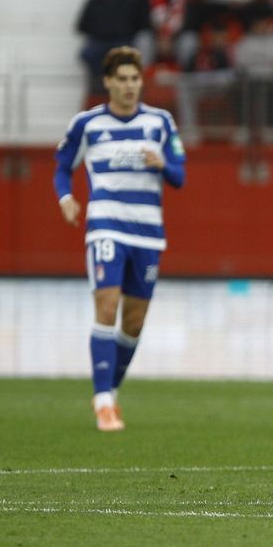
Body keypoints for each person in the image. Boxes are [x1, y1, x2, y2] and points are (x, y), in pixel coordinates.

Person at [53, 46, 186, 431]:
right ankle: (104, 401)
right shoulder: (88, 125)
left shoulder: (160, 123)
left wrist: (164, 164)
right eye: (122, 79)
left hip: (148, 233)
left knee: (134, 322)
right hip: (106, 226)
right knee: (107, 307)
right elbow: (62, 167)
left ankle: (110, 389)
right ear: (108, 82)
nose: (130, 86)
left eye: (135, 79)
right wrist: (65, 199)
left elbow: (180, 177)